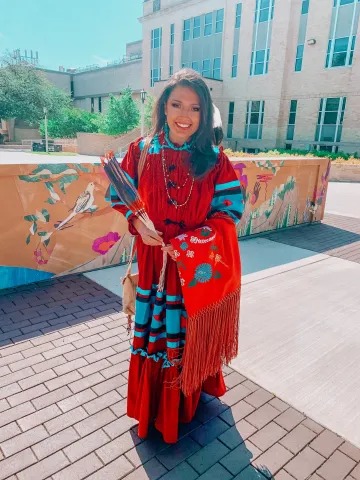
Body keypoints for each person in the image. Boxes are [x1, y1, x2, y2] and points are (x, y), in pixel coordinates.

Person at [108, 69, 244, 444]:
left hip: (191, 269)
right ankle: (152, 406)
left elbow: (229, 211)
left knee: (187, 334)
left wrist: (189, 244)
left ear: (205, 113)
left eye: (195, 108)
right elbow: (118, 195)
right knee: (153, 335)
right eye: (176, 104)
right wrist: (137, 222)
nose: (185, 115)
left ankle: (185, 403)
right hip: (154, 267)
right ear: (163, 107)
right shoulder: (140, 150)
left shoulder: (216, 160)